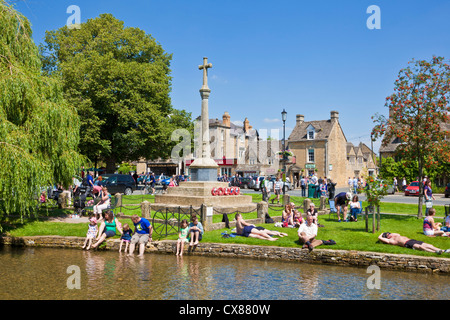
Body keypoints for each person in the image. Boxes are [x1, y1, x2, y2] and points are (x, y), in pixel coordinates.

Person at [378, 232, 450, 254]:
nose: (390, 234)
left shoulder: (395, 235)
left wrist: (389, 234)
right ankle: (435, 252)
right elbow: (379, 238)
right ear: (386, 237)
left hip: (412, 240)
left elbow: (396, 233)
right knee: (421, 247)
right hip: (407, 244)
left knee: (429, 245)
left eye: (389, 233)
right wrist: (382, 234)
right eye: (387, 235)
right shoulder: (390, 241)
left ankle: (443, 250)